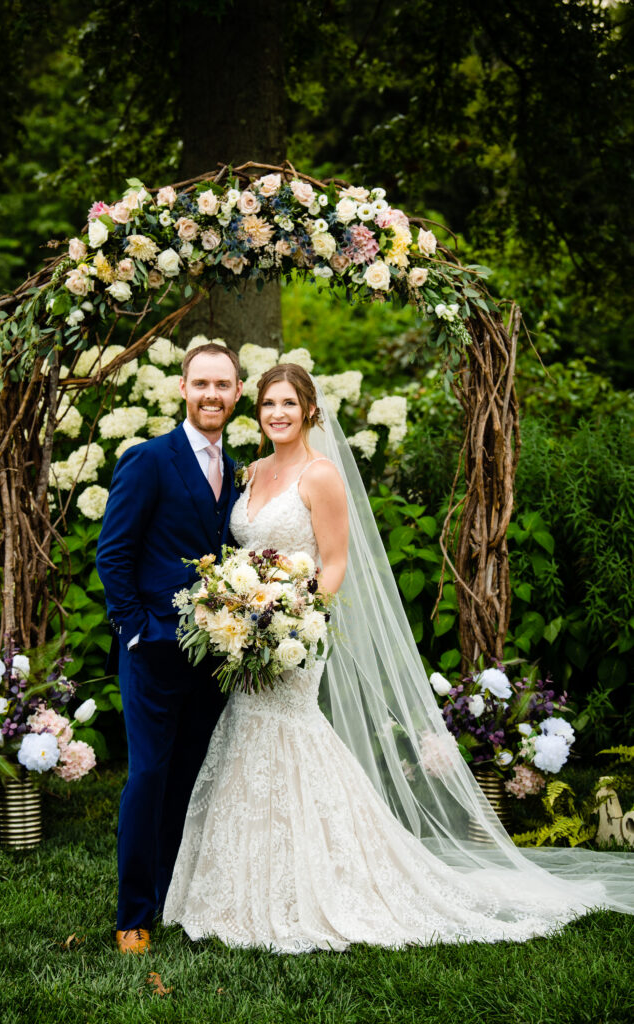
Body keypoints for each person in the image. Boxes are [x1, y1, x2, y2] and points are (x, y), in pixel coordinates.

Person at [162, 362, 633, 952]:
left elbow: (334, 562)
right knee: (248, 735)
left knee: (291, 734)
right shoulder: (251, 471)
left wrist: (296, 620)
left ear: (309, 409)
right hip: (246, 633)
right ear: (256, 413)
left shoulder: (321, 474)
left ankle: (325, 882)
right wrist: (239, 613)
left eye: (288, 403)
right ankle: (238, 883)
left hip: (292, 635)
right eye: (267, 405)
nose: (276, 413)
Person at [96, 342, 243, 954]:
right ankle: (134, 914)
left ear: (237, 393)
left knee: (185, 777)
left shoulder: (235, 469)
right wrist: (135, 630)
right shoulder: (148, 459)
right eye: (201, 383)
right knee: (149, 776)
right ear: (182, 388)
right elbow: (114, 552)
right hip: (152, 649)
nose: (212, 394)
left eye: (223, 385)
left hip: (214, 656)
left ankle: (168, 893)